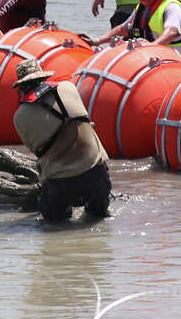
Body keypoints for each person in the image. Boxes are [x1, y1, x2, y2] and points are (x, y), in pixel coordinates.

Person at [11, 59, 111, 222]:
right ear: (43, 78)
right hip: (96, 174)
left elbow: (36, 149)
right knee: (97, 218)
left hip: (60, 183)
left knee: (55, 228)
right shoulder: (68, 87)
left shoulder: (19, 117)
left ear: (21, 87)